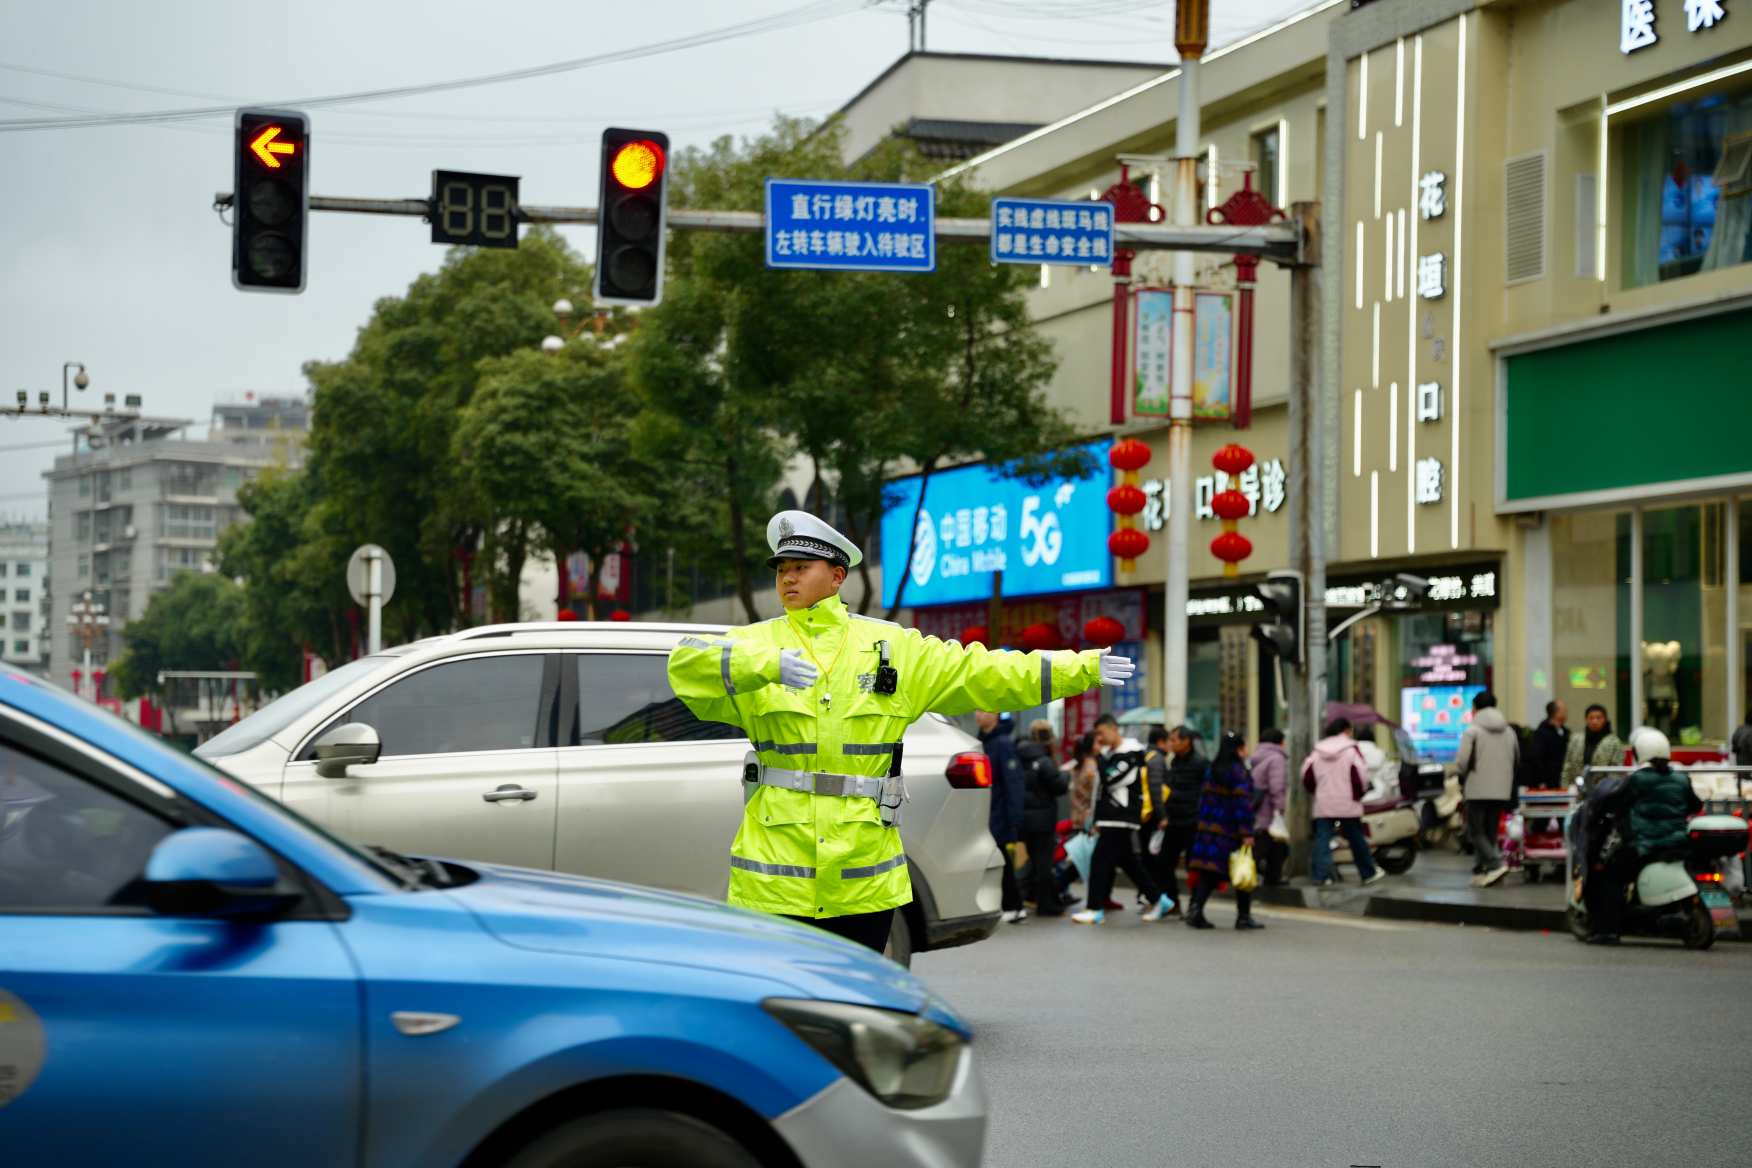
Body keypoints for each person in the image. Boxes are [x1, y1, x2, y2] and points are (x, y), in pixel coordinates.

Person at [667, 510, 1135, 951]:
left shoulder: (894, 647)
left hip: (863, 880)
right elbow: (685, 665)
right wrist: (764, 665)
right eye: (782, 568)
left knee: (856, 1008)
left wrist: (1084, 667)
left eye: (801, 566)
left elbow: (986, 672)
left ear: (836, 576)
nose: (787, 578)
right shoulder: (756, 642)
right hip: (774, 882)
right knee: (779, 1013)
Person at [1581, 727, 1703, 944]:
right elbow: (1695, 804)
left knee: (1609, 874)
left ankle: (1607, 930)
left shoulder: (1637, 780)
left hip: (1644, 845)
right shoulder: (1681, 779)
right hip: (1677, 843)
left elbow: (1614, 802)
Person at [1071, 714, 1177, 925]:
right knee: (1128, 862)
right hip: (1111, 816)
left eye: (1102, 733)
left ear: (1114, 729)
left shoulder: (1131, 753)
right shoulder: (1112, 753)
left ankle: (1094, 908)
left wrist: (1099, 755)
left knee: (1100, 861)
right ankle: (1159, 899)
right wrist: (1096, 818)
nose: (1099, 739)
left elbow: (1111, 779)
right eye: (1097, 735)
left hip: (1121, 815)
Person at [1186, 731, 1261, 930]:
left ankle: (1195, 910)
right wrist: (1246, 832)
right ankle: (1243, 917)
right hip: (1230, 831)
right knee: (1242, 871)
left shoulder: (1212, 769)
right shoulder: (1237, 772)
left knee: (1209, 873)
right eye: (1244, 747)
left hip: (1209, 830)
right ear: (1238, 749)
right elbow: (1242, 804)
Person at [1302, 717, 1384, 887]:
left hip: (1324, 802)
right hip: (1347, 802)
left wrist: (1317, 792)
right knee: (1356, 838)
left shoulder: (1317, 751)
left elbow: (1307, 776)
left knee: (1322, 839)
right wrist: (1359, 794)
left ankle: (1321, 876)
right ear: (1346, 730)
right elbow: (1361, 776)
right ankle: (1367, 873)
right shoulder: (1352, 750)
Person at [1455, 690, 1519, 887]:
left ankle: (1494, 864)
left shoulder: (1472, 731)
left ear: (1475, 708)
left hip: (1477, 788)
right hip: (1502, 789)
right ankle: (1483, 871)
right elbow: (1517, 759)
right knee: (1490, 831)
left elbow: (1462, 762)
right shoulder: (1509, 731)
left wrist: (1462, 775)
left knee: (1475, 831)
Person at [1015, 719, 1070, 917]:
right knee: (1043, 865)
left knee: (1035, 863)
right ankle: (1046, 905)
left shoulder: (1019, 756)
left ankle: (1024, 898)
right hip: (1043, 821)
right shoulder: (1044, 760)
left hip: (1025, 819)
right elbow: (1058, 786)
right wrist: (1065, 775)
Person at [977, 710, 1027, 923]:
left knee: (1002, 860)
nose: (979, 714)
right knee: (995, 859)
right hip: (984, 812)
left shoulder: (1003, 743)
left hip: (999, 814)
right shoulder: (980, 741)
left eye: (984, 710)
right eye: (977, 709)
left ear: (996, 714)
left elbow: (1013, 784)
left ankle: (1015, 905)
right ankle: (1008, 904)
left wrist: (1014, 820)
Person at [1151, 725, 1206, 909]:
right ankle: (1172, 901)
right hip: (1173, 820)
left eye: (1174, 740)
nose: (1170, 744)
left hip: (1193, 821)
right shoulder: (1174, 762)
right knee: (1164, 863)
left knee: (1194, 866)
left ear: (1186, 742)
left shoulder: (1200, 763)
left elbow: (1205, 792)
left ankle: (1195, 905)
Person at [1249, 728, 1290, 886]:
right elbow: (1276, 786)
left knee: (1277, 846)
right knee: (1264, 846)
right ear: (1280, 742)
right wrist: (1280, 808)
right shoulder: (1276, 758)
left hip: (1258, 809)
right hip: (1269, 810)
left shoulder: (1256, 756)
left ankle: (1273, 877)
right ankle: (1247, 873)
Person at [1561, 704, 1627, 787]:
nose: (1594, 721)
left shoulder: (1614, 742)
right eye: (1591, 718)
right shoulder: (1576, 740)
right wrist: (1565, 789)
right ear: (1586, 720)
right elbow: (1567, 767)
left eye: (1598, 718)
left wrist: (1608, 791)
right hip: (1577, 789)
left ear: (1605, 720)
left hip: (1603, 792)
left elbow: (1616, 772)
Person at [1531, 700, 1569, 789]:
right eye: (1564, 710)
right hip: (1548, 782)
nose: (1566, 713)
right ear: (1556, 713)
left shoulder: (1565, 732)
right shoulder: (1541, 732)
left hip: (1562, 780)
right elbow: (1537, 758)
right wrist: (1541, 780)